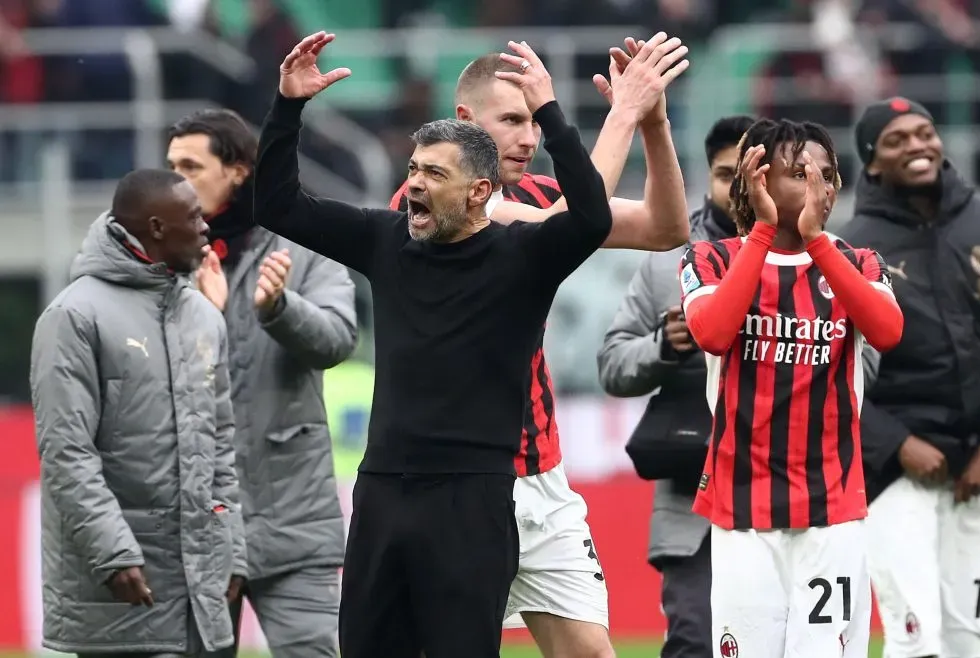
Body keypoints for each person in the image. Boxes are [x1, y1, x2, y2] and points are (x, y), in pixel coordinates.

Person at [253, 31, 648, 657]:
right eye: (413, 169)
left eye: (433, 174)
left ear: (478, 191)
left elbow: (591, 217)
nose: (413, 185)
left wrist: (552, 113)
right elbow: (275, 204)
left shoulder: (524, 258)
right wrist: (288, 107)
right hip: (382, 492)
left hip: (474, 498)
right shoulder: (385, 240)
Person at [388, 34, 691, 657]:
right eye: (513, 121)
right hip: (463, 480)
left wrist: (654, 124)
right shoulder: (433, 206)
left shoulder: (534, 193)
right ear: (465, 123)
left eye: (534, 120)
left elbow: (667, 228)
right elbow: (573, 230)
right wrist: (622, 114)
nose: (530, 138)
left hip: (543, 476)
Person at [680, 118, 904, 658]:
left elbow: (888, 331)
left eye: (827, 175)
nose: (818, 187)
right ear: (757, 178)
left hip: (833, 510)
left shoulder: (858, 262)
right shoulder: (711, 258)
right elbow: (711, 334)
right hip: (742, 510)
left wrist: (816, 243)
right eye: (799, 173)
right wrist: (761, 231)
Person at [166, 108, 358, 658]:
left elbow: (339, 339)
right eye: (171, 166)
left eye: (191, 166)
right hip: (194, 531)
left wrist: (279, 309)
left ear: (239, 171)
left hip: (293, 523)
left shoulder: (298, 243)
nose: (176, 180)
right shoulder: (156, 258)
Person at [29, 168, 245, 658]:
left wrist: (232, 543)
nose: (206, 226)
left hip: (201, 590)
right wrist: (113, 553)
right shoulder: (72, 317)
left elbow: (221, 446)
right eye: (193, 217)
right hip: (123, 584)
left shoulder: (205, 317)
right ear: (156, 228)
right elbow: (67, 453)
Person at [839, 97, 980, 658]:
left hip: (977, 471)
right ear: (871, 162)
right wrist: (896, 445)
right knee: (915, 637)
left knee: (974, 641)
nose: (917, 145)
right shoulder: (848, 248)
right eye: (897, 140)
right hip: (894, 478)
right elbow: (830, 374)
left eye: (925, 132)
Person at [597, 115, 749, 658]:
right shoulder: (669, 260)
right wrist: (666, 343)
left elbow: (862, 369)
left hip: (791, 495)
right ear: (708, 177)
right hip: (693, 506)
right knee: (692, 643)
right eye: (725, 174)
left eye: (750, 173)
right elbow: (613, 365)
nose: (738, 189)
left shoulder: (815, 259)